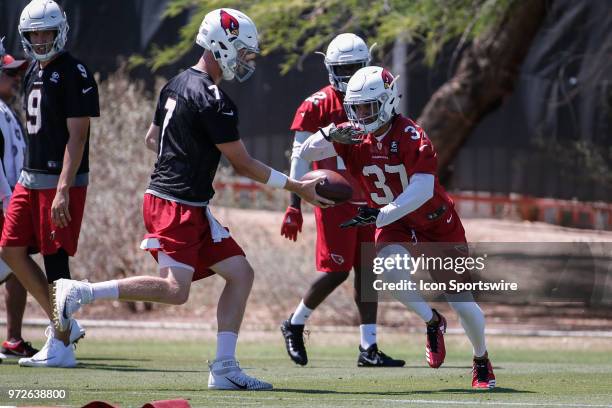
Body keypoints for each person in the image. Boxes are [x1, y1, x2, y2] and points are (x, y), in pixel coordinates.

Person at [52, 8, 330, 390]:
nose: (247, 60)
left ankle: (224, 367)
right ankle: (81, 292)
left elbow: (153, 139)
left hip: (184, 201)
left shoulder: (176, 83)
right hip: (176, 203)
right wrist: (298, 188)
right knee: (175, 290)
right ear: (222, 44)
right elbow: (244, 164)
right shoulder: (214, 99)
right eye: (243, 51)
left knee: (240, 273)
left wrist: (186, 155)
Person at [298, 66, 496, 389]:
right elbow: (306, 153)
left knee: (464, 305)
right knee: (389, 272)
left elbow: (422, 189)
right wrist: (328, 134)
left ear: (387, 102)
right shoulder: (353, 134)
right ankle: (432, 322)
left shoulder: (410, 135)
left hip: (435, 223)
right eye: (356, 107)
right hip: (395, 223)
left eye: (368, 106)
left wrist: (381, 214)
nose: (361, 114)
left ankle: (481, 359)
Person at [280, 33, 403, 368]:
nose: (349, 76)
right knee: (337, 271)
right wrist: (294, 204)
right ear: (330, 68)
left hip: (370, 198)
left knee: (367, 271)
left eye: (355, 67)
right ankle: (294, 323)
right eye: (342, 68)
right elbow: (298, 157)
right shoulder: (317, 104)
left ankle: (369, 347)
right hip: (333, 199)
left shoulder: (377, 93)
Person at [0, 0, 93, 368]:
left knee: (56, 261)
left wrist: (63, 189)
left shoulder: (75, 72)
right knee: (10, 249)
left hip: (58, 180)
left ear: (60, 31)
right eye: (33, 33)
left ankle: (61, 344)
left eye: (46, 32)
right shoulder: (32, 71)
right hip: (30, 177)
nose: (39, 39)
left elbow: (78, 137)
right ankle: (63, 323)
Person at [0, 38, 39, 360]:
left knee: (16, 267)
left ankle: (13, 339)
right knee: (16, 265)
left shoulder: (7, 109)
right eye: (8, 73)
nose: (15, 78)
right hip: (3, 204)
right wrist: (7, 202)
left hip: (10, 203)